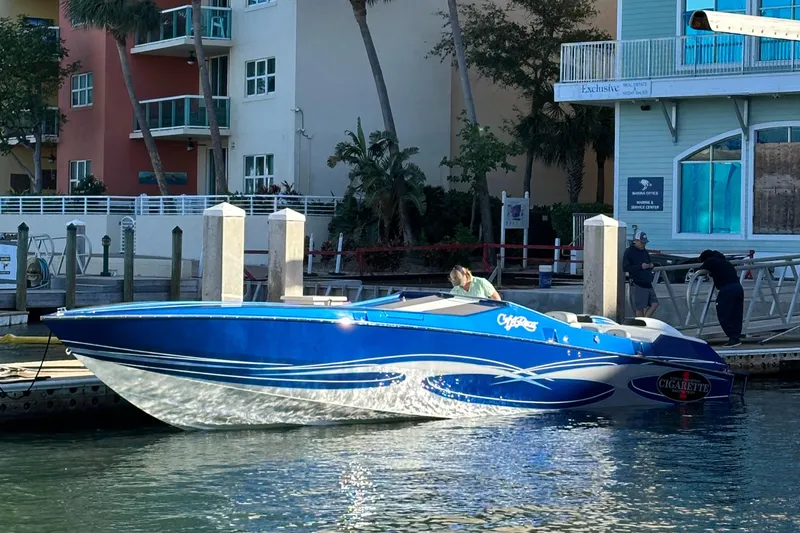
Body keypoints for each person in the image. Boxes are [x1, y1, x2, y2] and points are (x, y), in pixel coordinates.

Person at [698, 250, 744, 348]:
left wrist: (708, 272)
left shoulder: (711, 261)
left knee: (723, 313)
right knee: (736, 314)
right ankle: (736, 337)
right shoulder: (725, 262)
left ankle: (732, 337)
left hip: (727, 289)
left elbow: (700, 270)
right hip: (738, 287)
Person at [622, 230, 659, 317]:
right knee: (639, 308)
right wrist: (640, 266)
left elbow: (649, 262)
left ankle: (645, 321)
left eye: (645, 243)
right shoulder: (629, 252)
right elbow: (626, 267)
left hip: (646, 281)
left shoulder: (644, 252)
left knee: (655, 304)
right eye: (642, 243)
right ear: (636, 241)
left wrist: (651, 265)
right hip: (637, 282)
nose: (644, 245)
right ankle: (642, 325)